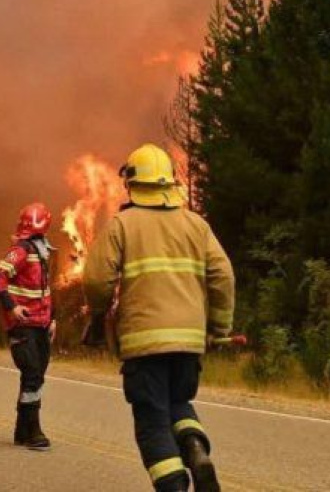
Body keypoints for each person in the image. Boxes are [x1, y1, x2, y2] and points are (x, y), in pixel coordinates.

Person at [84, 144, 234, 492]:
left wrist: (99, 312)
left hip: (144, 342)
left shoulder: (122, 225)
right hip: (189, 343)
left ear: (132, 183)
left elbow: (96, 280)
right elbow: (223, 276)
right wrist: (219, 326)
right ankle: (195, 447)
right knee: (178, 402)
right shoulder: (196, 224)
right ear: (169, 181)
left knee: (152, 418)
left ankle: (174, 487)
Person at [0, 202, 57, 451]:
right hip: (23, 325)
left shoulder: (43, 251)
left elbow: (45, 290)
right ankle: (34, 432)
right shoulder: (21, 250)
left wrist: (52, 319)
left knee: (35, 377)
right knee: (32, 375)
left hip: (41, 324)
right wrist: (12, 307)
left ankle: (22, 430)